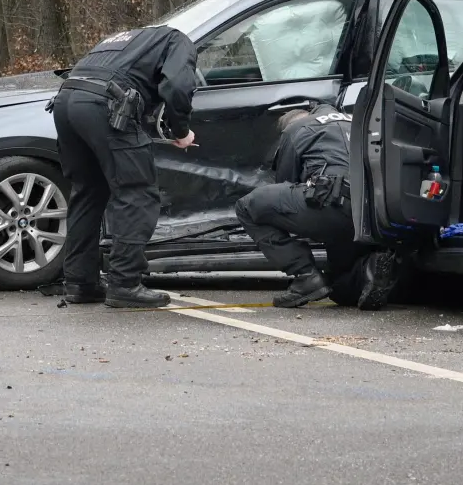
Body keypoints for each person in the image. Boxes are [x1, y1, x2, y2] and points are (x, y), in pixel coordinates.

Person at [48, 24, 198, 308]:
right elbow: (178, 85)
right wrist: (181, 131)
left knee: (87, 192)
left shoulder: (124, 38)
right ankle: (125, 283)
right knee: (137, 193)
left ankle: (80, 283)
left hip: (66, 102)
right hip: (105, 104)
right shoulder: (178, 39)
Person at [234, 102, 398, 309]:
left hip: (334, 205)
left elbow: (286, 182)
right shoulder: (360, 124)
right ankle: (370, 268)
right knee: (339, 288)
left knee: (247, 207)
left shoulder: (296, 129)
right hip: (376, 213)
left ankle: (305, 275)